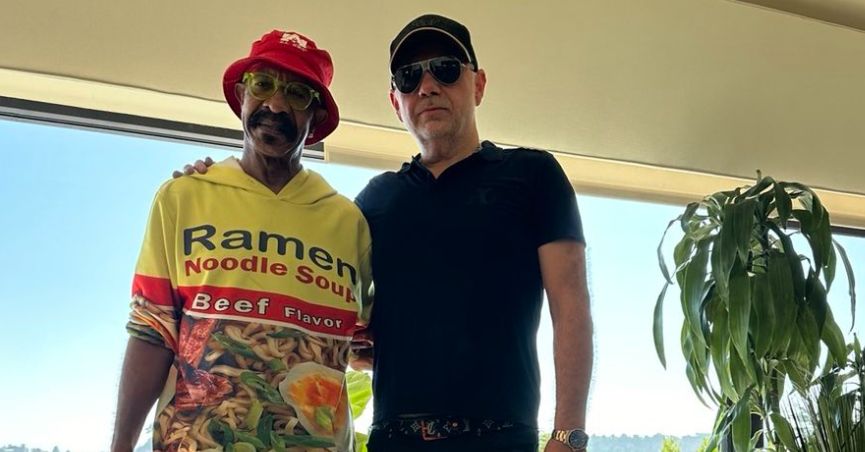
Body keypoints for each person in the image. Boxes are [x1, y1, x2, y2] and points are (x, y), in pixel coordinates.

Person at [111, 30, 371, 452]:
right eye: (263, 84)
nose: (276, 105)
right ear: (241, 95)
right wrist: (120, 444)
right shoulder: (184, 197)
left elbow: (365, 343)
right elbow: (151, 330)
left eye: (297, 94)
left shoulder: (348, 222)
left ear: (316, 117)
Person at [353, 14, 593, 452]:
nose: (427, 86)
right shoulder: (374, 200)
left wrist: (569, 436)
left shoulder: (533, 175)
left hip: (499, 438)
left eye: (445, 69)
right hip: (393, 440)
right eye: (409, 77)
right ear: (396, 101)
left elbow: (571, 304)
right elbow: (339, 300)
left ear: (478, 85)